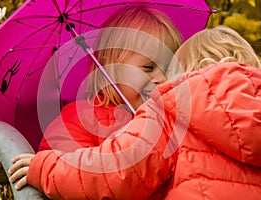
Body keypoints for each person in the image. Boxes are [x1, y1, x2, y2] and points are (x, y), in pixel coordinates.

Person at [8, 25, 261, 200]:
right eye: (149, 66)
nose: (163, 79)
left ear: (185, 71)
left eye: (169, 67)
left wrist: (45, 168)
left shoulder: (173, 111)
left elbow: (113, 169)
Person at [38, 5, 182, 152]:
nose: (163, 79)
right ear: (110, 66)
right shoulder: (79, 121)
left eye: (169, 70)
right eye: (148, 68)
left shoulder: (174, 124)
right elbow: (68, 169)